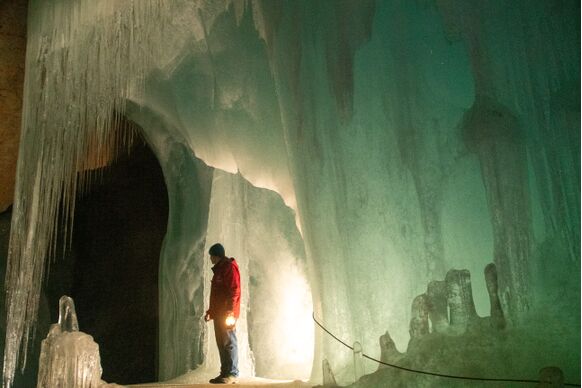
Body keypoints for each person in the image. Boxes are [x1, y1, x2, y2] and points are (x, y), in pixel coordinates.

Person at [204, 243, 241, 384]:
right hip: (219, 313)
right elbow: (217, 295)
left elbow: (234, 290)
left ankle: (232, 373)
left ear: (216, 255)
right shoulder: (219, 270)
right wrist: (210, 311)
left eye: (211, 256)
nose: (210, 259)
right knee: (221, 342)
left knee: (229, 342)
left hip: (227, 313)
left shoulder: (229, 268)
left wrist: (230, 311)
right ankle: (224, 372)